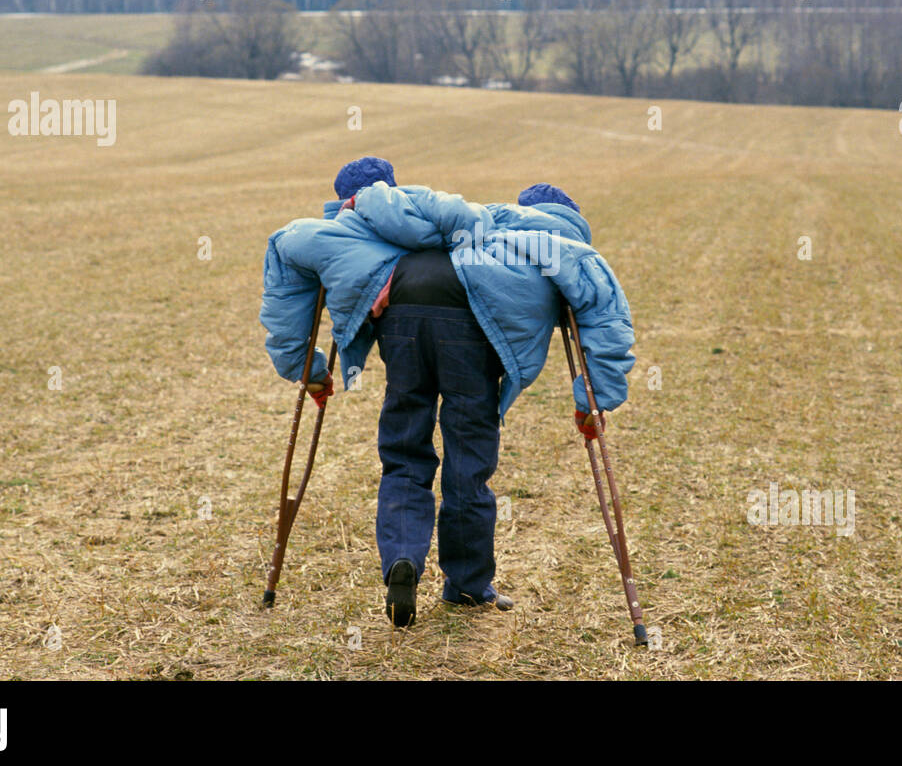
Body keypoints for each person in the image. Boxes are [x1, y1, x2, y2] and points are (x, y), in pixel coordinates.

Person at [260, 158, 635, 628]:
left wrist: (308, 371)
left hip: (405, 314)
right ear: (570, 218)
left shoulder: (410, 226)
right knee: (468, 462)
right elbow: (606, 321)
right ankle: (467, 585)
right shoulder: (554, 242)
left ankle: (403, 560)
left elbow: (285, 290)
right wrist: (594, 400)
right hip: (469, 330)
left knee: (404, 450)